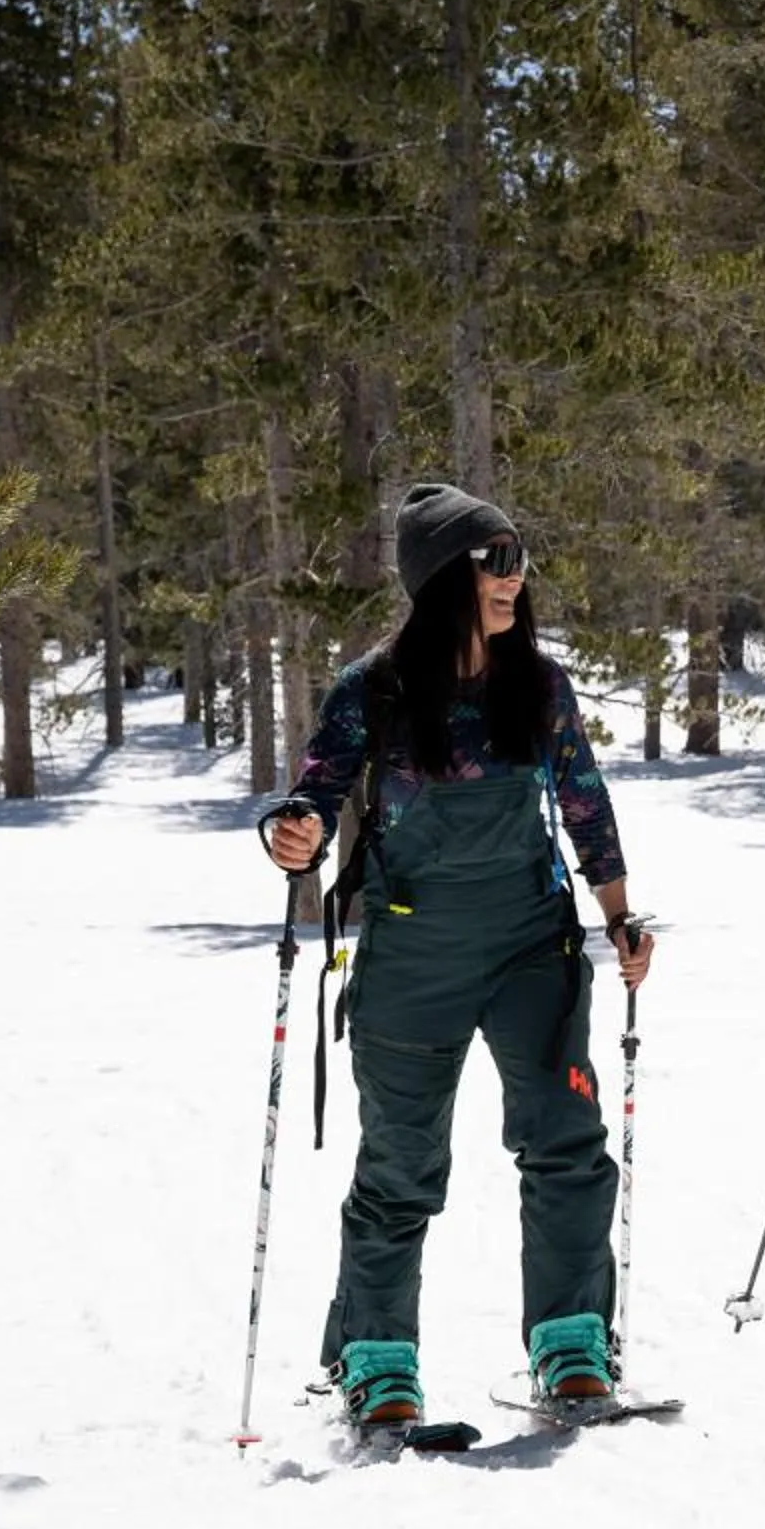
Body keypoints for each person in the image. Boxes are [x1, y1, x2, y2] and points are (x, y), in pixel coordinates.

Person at [261, 483, 655, 1426]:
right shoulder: (376, 687)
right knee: (400, 1161)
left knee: (565, 1145)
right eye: (493, 560)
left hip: (532, 941)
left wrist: (622, 917)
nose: (513, 578)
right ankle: (377, 1357)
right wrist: (293, 832)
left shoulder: (539, 683)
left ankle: (569, 1343)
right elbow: (314, 791)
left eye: (518, 557)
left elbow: (587, 804)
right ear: (442, 578)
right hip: (412, 949)